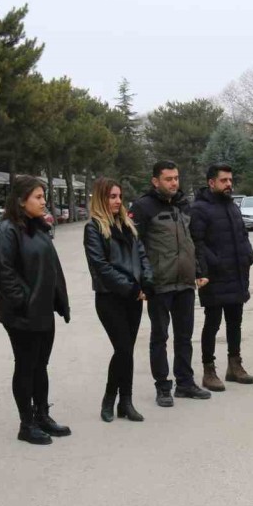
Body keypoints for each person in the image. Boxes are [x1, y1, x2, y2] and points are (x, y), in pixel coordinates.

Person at [0, 176, 72, 445]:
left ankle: (42, 415)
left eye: (43, 196)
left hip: (43, 311)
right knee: (26, 366)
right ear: (20, 201)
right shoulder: (7, 231)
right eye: (38, 197)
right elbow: (3, 274)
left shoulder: (38, 228)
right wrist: (23, 302)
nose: (43, 201)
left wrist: (58, 300)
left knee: (41, 366)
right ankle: (26, 424)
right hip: (23, 315)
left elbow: (51, 267)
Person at [130, 161, 212, 406]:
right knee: (160, 337)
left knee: (184, 337)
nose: (174, 182)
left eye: (176, 178)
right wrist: (142, 281)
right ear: (155, 181)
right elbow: (135, 246)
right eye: (168, 179)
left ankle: (185, 383)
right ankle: (163, 387)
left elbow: (192, 239)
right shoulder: (143, 207)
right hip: (159, 284)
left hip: (185, 282)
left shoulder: (184, 204)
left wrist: (199, 270)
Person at [84, 177, 153, 423]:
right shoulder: (93, 228)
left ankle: (126, 402)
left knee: (127, 351)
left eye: (119, 196)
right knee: (122, 348)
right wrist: (131, 288)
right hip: (110, 298)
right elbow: (101, 266)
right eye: (112, 196)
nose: (117, 201)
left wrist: (147, 282)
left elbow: (142, 256)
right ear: (101, 198)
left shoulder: (127, 225)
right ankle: (109, 398)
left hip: (133, 298)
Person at [189, 163, 253, 389]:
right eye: (224, 180)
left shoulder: (232, 206)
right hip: (215, 277)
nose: (229, 184)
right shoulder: (199, 208)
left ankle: (234, 366)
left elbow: (243, 234)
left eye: (230, 180)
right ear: (211, 182)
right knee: (213, 323)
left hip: (237, 273)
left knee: (235, 322)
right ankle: (209, 370)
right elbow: (196, 242)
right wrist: (211, 265)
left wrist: (248, 254)